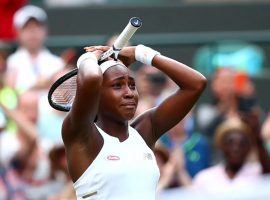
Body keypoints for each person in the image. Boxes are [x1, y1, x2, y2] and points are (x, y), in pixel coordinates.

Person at [61, 44, 207, 199]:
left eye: (132, 85)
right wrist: (90, 56)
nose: (129, 93)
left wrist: (140, 52)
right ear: (97, 94)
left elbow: (196, 84)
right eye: (117, 85)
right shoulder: (80, 134)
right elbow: (91, 78)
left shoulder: (145, 131)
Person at [193, 117, 270, 194]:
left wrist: (257, 138)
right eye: (230, 143)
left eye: (242, 144)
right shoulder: (204, 178)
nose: (236, 149)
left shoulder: (258, 172)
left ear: (248, 148)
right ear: (221, 146)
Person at [5, 5, 64, 93]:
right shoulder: (11, 63)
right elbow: (9, 101)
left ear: (45, 30)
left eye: (37, 26)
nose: (32, 32)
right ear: (17, 32)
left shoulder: (58, 63)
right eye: (27, 27)